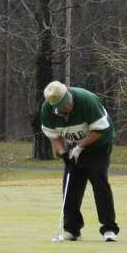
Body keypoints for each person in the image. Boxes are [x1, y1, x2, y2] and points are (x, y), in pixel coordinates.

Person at [41, 80, 120, 242]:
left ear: (68, 94)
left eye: (67, 103)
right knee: (70, 188)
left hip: (99, 146)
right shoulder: (47, 110)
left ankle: (109, 229)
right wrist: (64, 154)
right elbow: (54, 137)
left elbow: (100, 130)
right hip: (73, 148)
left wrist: (80, 147)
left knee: (99, 183)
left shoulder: (87, 100)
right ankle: (72, 230)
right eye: (62, 107)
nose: (67, 107)